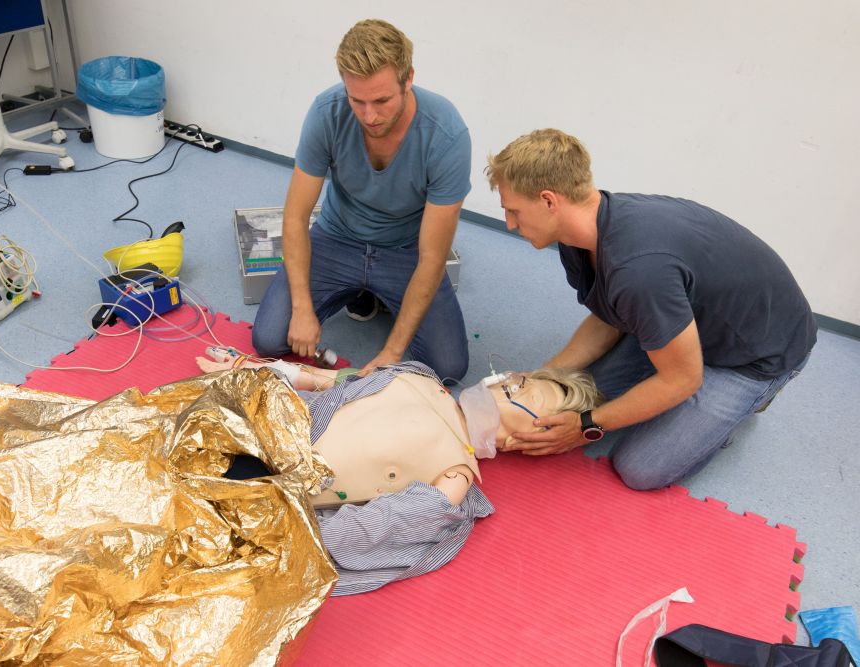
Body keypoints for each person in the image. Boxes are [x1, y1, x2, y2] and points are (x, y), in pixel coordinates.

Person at [485, 128, 818, 491]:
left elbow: (682, 379)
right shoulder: (579, 233)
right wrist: (543, 377)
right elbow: (608, 316)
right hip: (684, 322)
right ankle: (673, 356)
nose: (510, 224)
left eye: (514, 211)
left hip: (756, 354)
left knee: (640, 468)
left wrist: (586, 428)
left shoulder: (639, 268)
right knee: (577, 394)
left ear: (550, 201)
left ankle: (747, 402)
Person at [196, 350, 601, 594]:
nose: (511, 383)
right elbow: (332, 382)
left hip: (267, 495)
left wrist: (283, 536)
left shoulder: (455, 471)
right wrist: (255, 370)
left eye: (527, 394)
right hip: (260, 430)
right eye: (523, 379)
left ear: (527, 438)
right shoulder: (418, 376)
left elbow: (381, 524)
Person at [251, 19, 472, 382]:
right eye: (358, 100)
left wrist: (392, 351)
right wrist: (303, 309)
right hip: (337, 237)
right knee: (269, 340)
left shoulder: (447, 135)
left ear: (408, 79)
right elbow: (294, 216)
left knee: (448, 368)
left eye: (382, 100)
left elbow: (433, 257)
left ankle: (376, 294)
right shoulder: (326, 112)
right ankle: (363, 294)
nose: (370, 116)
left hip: (405, 250)